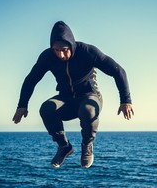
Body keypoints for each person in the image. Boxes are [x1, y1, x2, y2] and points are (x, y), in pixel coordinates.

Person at [12, 21, 134, 169]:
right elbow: (31, 79)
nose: (60, 55)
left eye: (64, 49)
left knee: (88, 110)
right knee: (47, 108)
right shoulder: (47, 57)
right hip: (66, 99)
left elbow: (118, 71)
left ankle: (87, 145)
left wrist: (125, 100)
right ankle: (64, 147)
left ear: (71, 44)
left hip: (90, 96)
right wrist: (22, 105)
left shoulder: (88, 52)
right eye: (56, 50)